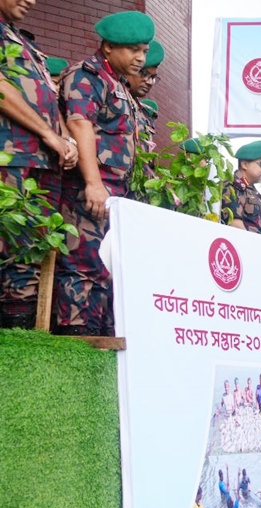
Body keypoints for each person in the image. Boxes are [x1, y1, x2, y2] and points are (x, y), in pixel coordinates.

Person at [56, 10, 153, 336]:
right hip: (89, 191)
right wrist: (93, 183)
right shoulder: (88, 76)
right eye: (133, 49)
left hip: (117, 195)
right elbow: (80, 124)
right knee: (81, 268)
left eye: (144, 50)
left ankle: (95, 341)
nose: (141, 58)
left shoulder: (119, 84)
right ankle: (73, 344)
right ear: (109, 47)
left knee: (103, 270)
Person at [0, 0, 79, 329]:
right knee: (7, 247)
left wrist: (66, 138)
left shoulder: (25, 41)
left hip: (41, 162)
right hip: (10, 157)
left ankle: (21, 338)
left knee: (30, 252)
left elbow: (47, 94)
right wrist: (48, 133)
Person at [220, 140, 261, 235]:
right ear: (244, 164)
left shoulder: (250, 190)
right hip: (243, 246)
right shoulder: (232, 186)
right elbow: (235, 225)